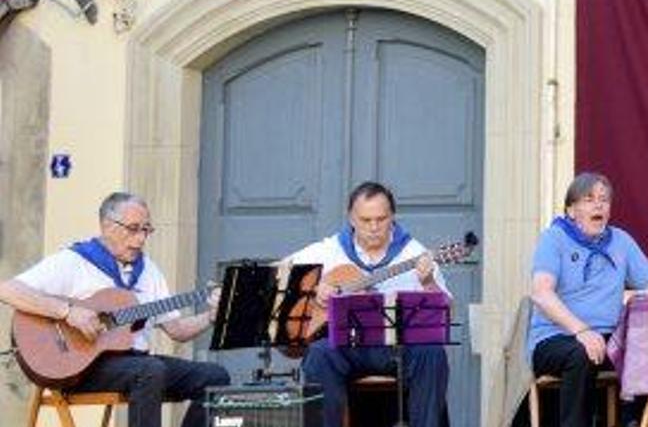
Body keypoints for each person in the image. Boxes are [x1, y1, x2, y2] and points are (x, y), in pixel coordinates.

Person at [0, 192, 230, 427]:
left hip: (136, 363)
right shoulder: (75, 261)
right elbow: (7, 290)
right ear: (107, 226)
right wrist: (67, 311)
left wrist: (211, 317)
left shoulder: (148, 270)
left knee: (215, 377)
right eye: (133, 229)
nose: (141, 239)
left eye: (146, 230)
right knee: (149, 371)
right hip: (84, 368)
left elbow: (177, 330)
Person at [528, 171, 648, 427]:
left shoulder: (621, 242)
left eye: (604, 200)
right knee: (583, 353)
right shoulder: (554, 238)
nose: (599, 204)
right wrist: (581, 330)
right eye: (589, 199)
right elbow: (541, 293)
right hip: (554, 339)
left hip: (606, 340)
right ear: (571, 210)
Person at [278, 181, 450, 427]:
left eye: (381, 219)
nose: (373, 227)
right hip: (347, 346)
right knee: (318, 354)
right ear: (351, 218)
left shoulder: (414, 252)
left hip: (395, 348)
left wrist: (428, 281)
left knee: (432, 354)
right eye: (365, 220)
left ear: (392, 217)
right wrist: (314, 289)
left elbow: (443, 313)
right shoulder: (330, 249)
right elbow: (279, 273)